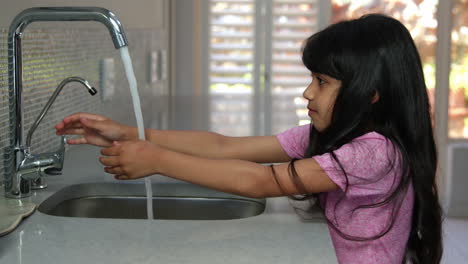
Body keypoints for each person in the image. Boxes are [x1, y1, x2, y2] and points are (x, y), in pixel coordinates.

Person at [55, 14, 443, 264]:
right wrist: (128, 132)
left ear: (371, 93)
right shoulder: (336, 137)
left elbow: (260, 181)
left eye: (321, 82)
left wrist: (157, 159)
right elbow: (225, 146)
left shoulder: (374, 154)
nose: (308, 93)